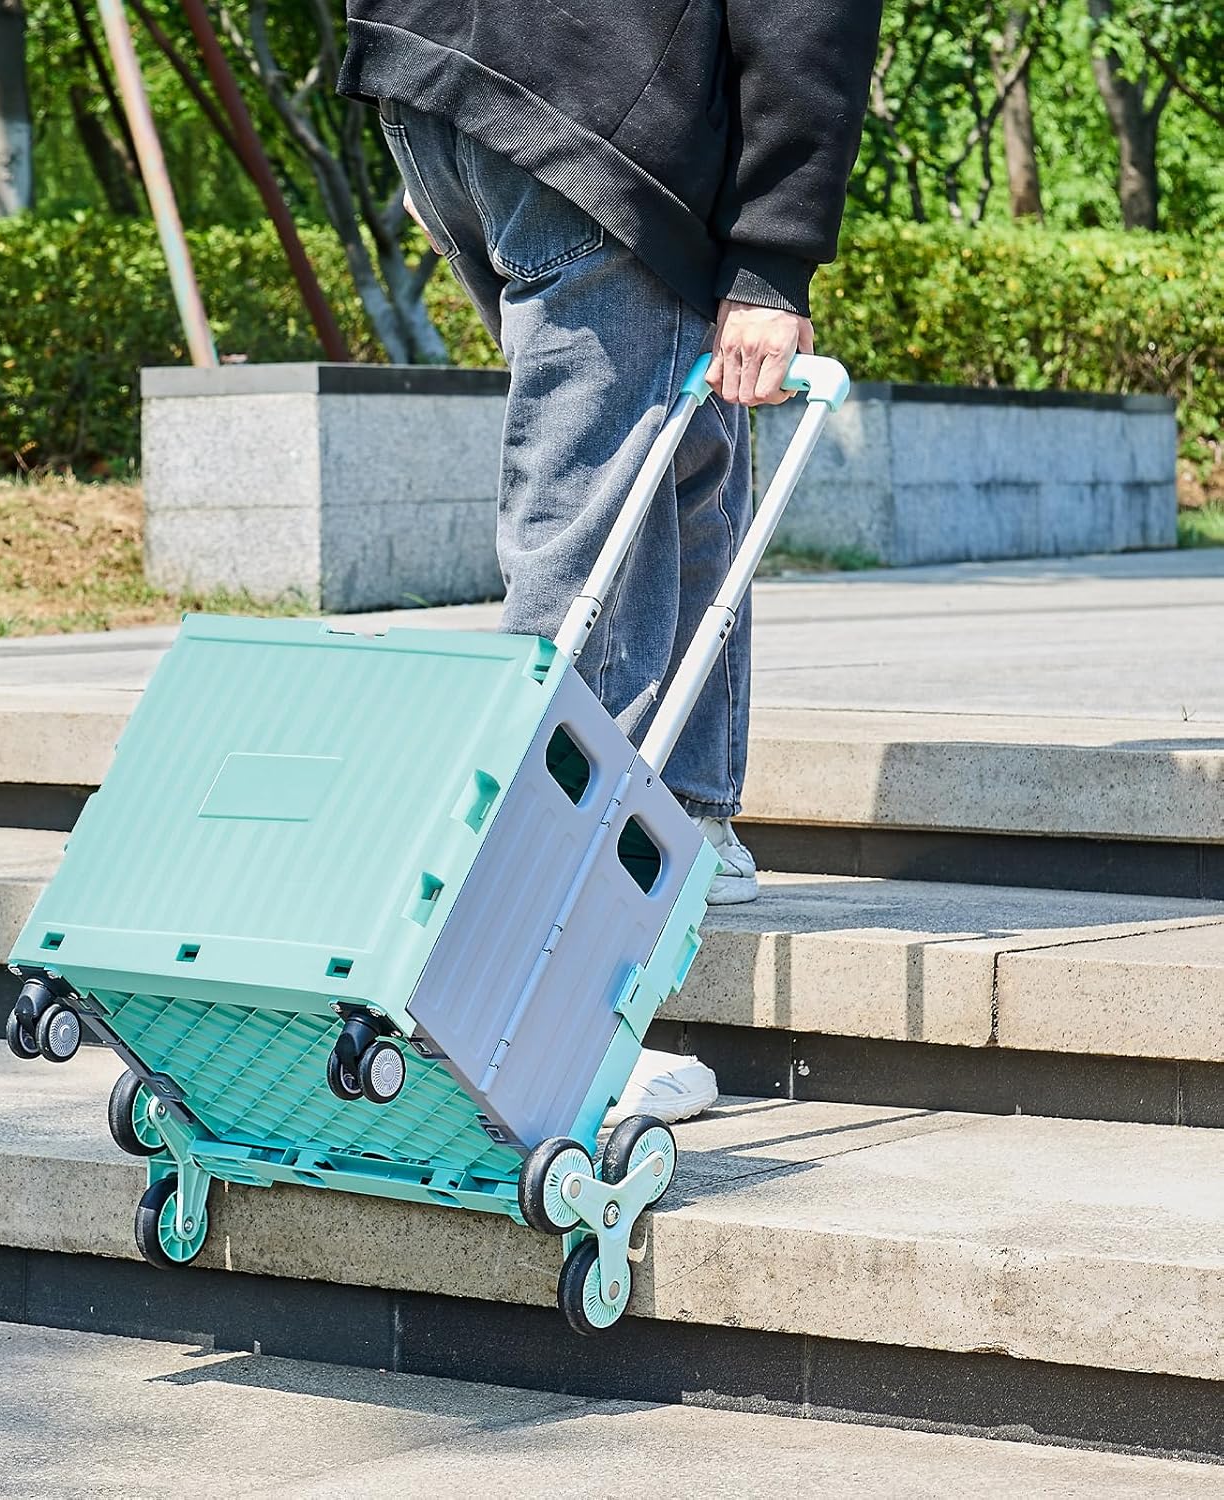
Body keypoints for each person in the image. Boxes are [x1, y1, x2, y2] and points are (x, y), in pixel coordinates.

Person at [338, 1, 881, 1123]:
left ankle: (680, 820)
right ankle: (544, 1011)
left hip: (451, 73)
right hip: (594, 102)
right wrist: (773, 258)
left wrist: (413, 63)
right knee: (596, 525)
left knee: (678, 450)